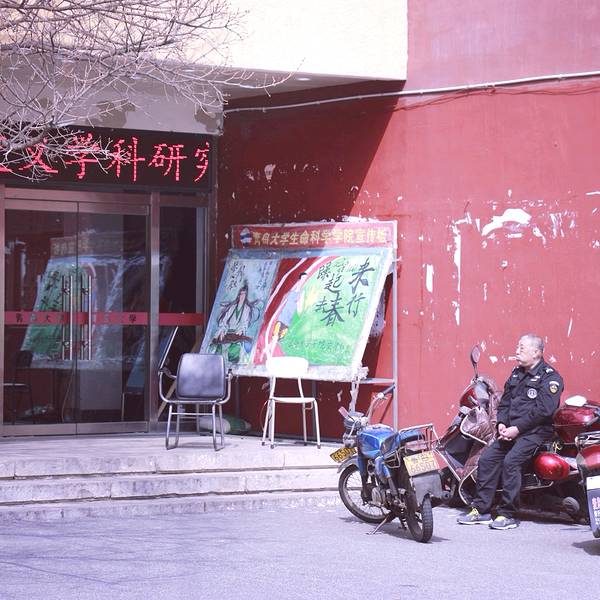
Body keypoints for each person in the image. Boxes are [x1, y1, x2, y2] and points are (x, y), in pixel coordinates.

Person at [457, 334, 564, 530]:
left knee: (511, 461)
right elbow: (505, 402)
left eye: (522, 348)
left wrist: (517, 428)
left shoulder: (550, 378)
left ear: (536, 352)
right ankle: (481, 510)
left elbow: (544, 411)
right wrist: (502, 423)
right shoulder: (516, 374)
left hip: (535, 432)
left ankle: (508, 514)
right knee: (487, 459)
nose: (517, 351)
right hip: (511, 431)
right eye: (517, 347)